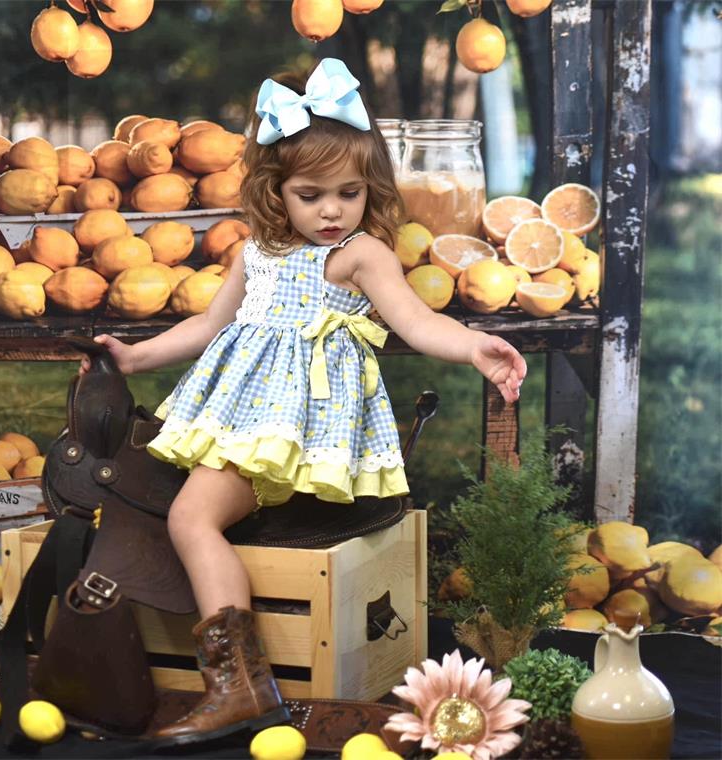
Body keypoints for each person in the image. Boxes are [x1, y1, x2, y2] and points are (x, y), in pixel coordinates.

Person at [80, 58, 526, 746]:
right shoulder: (257, 253)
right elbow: (209, 326)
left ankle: (238, 686)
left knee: (192, 518)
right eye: (311, 194)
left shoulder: (360, 254)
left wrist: (472, 344)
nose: (331, 210)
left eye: (348, 193)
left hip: (298, 431)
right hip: (245, 424)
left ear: (367, 190)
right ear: (276, 189)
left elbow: (414, 322)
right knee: (181, 507)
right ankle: (238, 675)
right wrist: (137, 357)